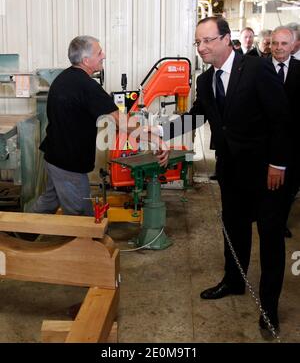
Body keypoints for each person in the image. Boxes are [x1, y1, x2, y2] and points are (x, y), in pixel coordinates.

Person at [163, 17, 290, 333]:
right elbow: (196, 116)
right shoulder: (206, 81)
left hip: (265, 172)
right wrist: (159, 133)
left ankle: (269, 307)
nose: (201, 47)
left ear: (225, 39)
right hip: (230, 172)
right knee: (233, 230)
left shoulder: (258, 69)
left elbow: (282, 119)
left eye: (206, 41)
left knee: (270, 237)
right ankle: (234, 281)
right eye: (197, 42)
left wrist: (278, 164)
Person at [32, 35, 168, 217]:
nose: (103, 55)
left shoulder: (63, 78)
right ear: (86, 60)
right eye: (99, 53)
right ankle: (84, 244)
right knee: (82, 217)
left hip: (54, 157)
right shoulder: (86, 85)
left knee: (48, 202)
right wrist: (154, 139)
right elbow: (120, 121)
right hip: (68, 165)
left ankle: (21, 233)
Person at [270, 26, 300, 238]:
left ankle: (279, 222)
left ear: (293, 46)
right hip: (266, 142)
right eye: (275, 43)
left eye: (283, 43)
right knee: (268, 187)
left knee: (289, 187)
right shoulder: (259, 67)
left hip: (295, 143)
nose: (278, 48)